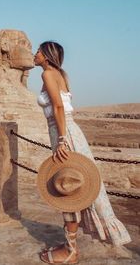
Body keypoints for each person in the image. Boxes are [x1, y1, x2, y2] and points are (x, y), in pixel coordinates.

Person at [34, 41, 131, 264]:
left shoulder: (48, 75)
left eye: (38, 51)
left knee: (67, 186)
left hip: (63, 133)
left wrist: (60, 139)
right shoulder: (61, 74)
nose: (34, 54)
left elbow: (58, 107)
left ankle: (71, 251)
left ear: (47, 56)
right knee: (72, 185)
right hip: (68, 130)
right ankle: (69, 245)